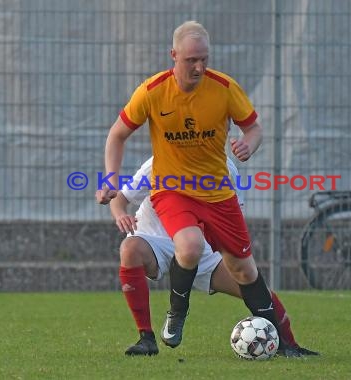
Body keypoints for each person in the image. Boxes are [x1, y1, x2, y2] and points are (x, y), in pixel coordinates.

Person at [97, 20, 289, 353]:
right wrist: (110, 180)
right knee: (186, 244)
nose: (199, 67)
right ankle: (170, 320)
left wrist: (249, 143)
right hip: (173, 198)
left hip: (216, 200)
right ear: (173, 55)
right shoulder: (153, 93)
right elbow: (117, 135)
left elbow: (254, 128)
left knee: (247, 272)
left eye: (204, 59)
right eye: (191, 60)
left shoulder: (224, 89)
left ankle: (289, 344)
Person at [101, 156, 319, 357]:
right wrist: (121, 215)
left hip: (202, 250)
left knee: (258, 289)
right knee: (130, 249)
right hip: (154, 239)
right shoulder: (160, 161)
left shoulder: (227, 169)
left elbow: (233, 219)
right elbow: (120, 198)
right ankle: (146, 339)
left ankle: (289, 346)